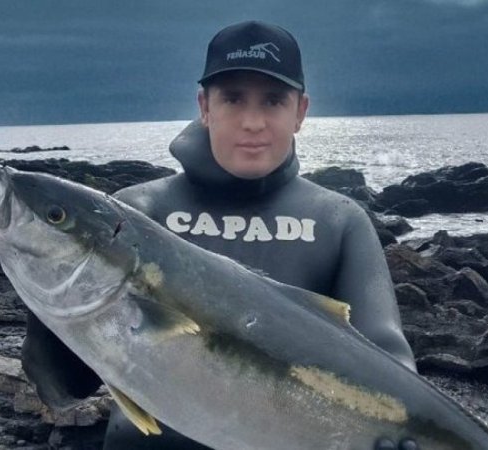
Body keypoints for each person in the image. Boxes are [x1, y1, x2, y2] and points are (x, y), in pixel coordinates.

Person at [22, 21, 418, 450]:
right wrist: (43, 274)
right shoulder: (135, 214)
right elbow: (65, 384)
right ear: (204, 107)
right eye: (232, 98)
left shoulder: (339, 221)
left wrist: (405, 432)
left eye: (273, 100)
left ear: (300, 112)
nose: (252, 122)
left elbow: (388, 357)